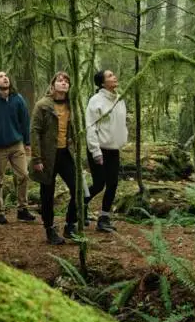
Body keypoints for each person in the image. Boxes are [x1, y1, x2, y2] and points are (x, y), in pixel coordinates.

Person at [0, 69, 35, 225]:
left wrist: (27, 142)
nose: (5, 79)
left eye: (6, 76)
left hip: (17, 145)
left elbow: (25, 122)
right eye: (1, 77)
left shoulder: (18, 99)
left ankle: (22, 209)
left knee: (23, 175)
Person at [29, 72, 78, 244]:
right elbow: (34, 131)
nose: (64, 83)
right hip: (47, 156)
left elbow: (75, 129)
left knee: (76, 188)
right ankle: (49, 228)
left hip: (65, 154)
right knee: (47, 194)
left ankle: (70, 225)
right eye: (60, 80)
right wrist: (36, 158)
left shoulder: (72, 105)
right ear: (53, 85)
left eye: (67, 81)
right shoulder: (42, 105)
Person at [85, 68, 127, 233]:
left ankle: (103, 218)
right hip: (99, 149)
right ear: (102, 83)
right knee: (98, 184)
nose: (114, 76)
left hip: (113, 149)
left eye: (113, 74)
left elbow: (121, 123)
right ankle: (79, 205)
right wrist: (95, 151)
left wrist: (122, 139)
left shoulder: (119, 99)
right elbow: (91, 126)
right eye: (110, 76)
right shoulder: (96, 101)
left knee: (113, 183)